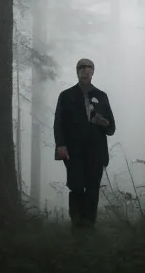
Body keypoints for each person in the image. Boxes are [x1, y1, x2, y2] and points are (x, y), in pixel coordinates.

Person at [53, 58, 116, 230]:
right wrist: (60, 145)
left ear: (93, 71)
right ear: (77, 71)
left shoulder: (101, 96)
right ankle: (77, 224)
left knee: (93, 189)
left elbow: (112, 127)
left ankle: (89, 226)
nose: (86, 70)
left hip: (96, 151)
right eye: (83, 67)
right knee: (76, 186)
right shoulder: (66, 96)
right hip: (73, 151)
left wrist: (103, 122)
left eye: (90, 67)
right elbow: (59, 123)